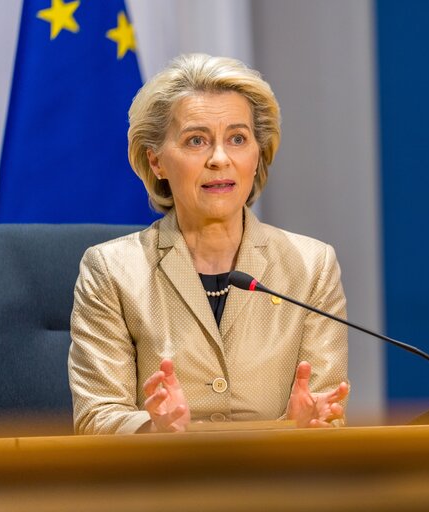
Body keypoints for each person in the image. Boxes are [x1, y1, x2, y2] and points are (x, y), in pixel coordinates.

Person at [68, 54, 349, 434]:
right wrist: (155, 429)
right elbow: (96, 419)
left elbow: (325, 414)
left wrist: (309, 426)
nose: (220, 159)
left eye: (237, 139)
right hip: (162, 485)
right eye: (196, 140)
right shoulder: (112, 270)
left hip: (279, 485)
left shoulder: (311, 265)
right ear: (156, 162)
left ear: (257, 155)